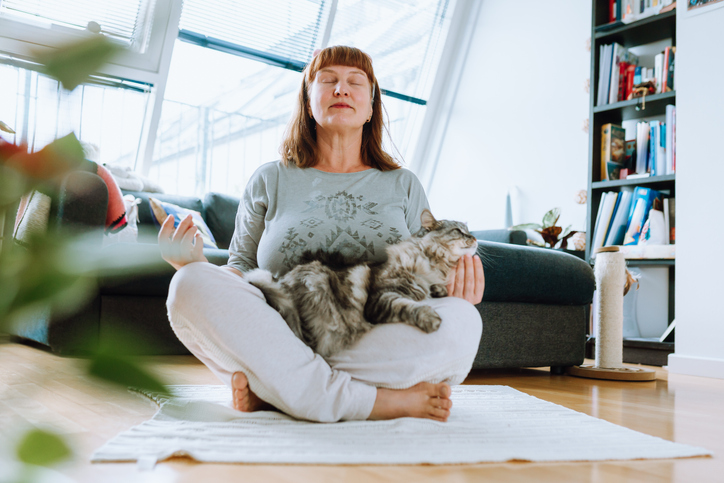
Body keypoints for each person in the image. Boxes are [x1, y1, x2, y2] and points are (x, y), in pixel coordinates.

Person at [160, 46, 484, 423]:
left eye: (355, 82)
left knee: (463, 321)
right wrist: (194, 265)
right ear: (308, 100)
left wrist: (454, 291)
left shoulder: (403, 184)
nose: (341, 89)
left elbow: (423, 273)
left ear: (371, 104)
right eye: (328, 80)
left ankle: (281, 390)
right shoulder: (271, 178)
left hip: (370, 333)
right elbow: (242, 269)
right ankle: (371, 401)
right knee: (187, 283)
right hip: (283, 328)